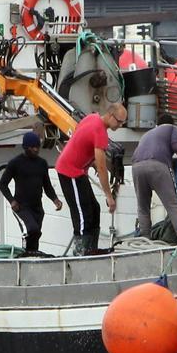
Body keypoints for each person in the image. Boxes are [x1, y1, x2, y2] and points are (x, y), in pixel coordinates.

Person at [55, 102, 127, 253]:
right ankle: (81, 251)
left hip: (79, 170)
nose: (120, 125)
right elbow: (102, 168)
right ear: (110, 115)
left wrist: (89, 162)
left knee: (94, 208)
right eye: (119, 121)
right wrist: (109, 196)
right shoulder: (100, 133)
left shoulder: (92, 117)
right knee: (83, 213)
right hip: (69, 171)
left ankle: (91, 249)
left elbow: (79, 134)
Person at [133, 113, 177, 242]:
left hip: (136, 167)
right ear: (171, 123)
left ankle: (145, 240)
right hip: (157, 166)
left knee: (143, 207)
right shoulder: (172, 129)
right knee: (173, 204)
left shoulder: (147, 134)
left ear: (157, 124)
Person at [0, 131, 63, 252]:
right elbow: (2, 184)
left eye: (38, 147)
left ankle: (33, 255)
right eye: (33, 147)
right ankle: (25, 255)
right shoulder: (15, 163)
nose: (36, 150)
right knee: (30, 230)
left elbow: (47, 185)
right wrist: (12, 201)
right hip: (21, 207)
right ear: (26, 147)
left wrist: (55, 199)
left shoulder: (42, 163)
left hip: (37, 208)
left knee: (36, 234)